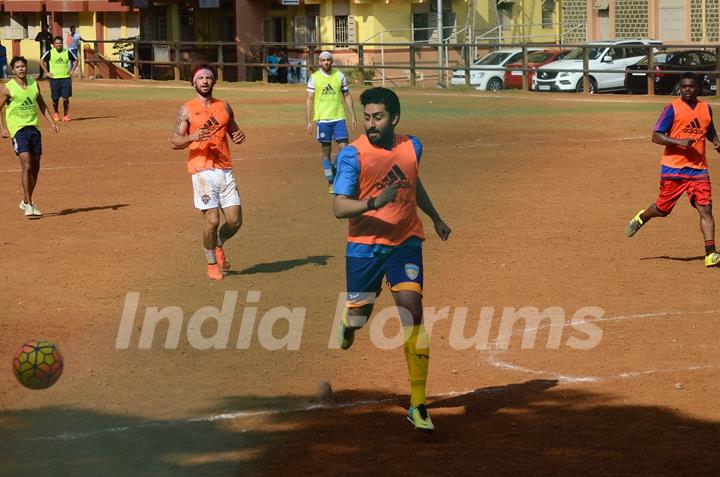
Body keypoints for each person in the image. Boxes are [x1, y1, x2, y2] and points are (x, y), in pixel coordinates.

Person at [332, 87, 451, 432]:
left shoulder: (412, 146)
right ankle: (349, 320)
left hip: (405, 242)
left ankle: (418, 404)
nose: (370, 123)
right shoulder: (353, 155)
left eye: (377, 117)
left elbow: (413, 183)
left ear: (394, 118)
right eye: (367, 117)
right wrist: (372, 203)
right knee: (359, 317)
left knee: (413, 311)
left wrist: (435, 217)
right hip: (364, 246)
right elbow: (339, 207)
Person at [626, 72, 720, 267]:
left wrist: (716, 140)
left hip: (698, 169)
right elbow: (656, 136)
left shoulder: (706, 109)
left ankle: (711, 253)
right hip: (673, 169)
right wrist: (679, 142)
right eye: (684, 86)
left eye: (691, 86)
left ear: (698, 88)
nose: (687, 89)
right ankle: (643, 217)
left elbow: (709, 129)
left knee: (706, 209)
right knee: (662, 210)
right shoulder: (672, 109)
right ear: (680, 87)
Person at [171, 64, 247, 280]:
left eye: (209, 77)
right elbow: (174, 141)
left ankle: (219, 244)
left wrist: (240, 136)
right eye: (201, 78)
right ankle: (211, 263)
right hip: (201, 170)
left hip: (225, 169)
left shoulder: (224, 107)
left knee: (235, 221)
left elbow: (235, 132)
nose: (205, 81)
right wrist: (191, 138)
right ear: (193, 82)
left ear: (214, 81)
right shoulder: (186, 109)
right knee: (212, 221)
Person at [0, 56, 60, 217]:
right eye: (17, 67)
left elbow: (41, 103)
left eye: (23, 66)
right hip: (18, 131)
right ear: (13, 70)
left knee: (36, 167)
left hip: (34, 129)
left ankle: (26, 201)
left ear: (26, 68)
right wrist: (2, 128)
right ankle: (30, 205)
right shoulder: (7, 88)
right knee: (26, 164)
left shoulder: (34, 84)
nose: (21, 69)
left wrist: (51, 122)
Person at [306, 50, 357, 193]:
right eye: (323, 60)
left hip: (339, 118)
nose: (326, 62)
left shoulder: (339, 75)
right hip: (322, 120)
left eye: (328, 60)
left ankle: (335, 168)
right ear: (320, 62)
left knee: (345, 151)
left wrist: (353, 115)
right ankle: (331, 182)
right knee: (326, 152)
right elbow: (309, 99)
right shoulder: (314, 78)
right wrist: (309, 121)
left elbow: (346, 95)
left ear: (331, 61)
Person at [40, 36, 77, 122]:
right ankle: (56, 112)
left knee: (66, 98)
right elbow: (41, 61)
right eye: (57, 43)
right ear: (54, 44)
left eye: (60, 43)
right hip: (54, 79)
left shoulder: (67, 52)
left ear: (62, 43)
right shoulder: (50, 52)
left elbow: (75, 60)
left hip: (65, 78)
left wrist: (72, 71)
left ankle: (65, 115)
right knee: (55, 98)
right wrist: (47, 72)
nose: (58, 45)